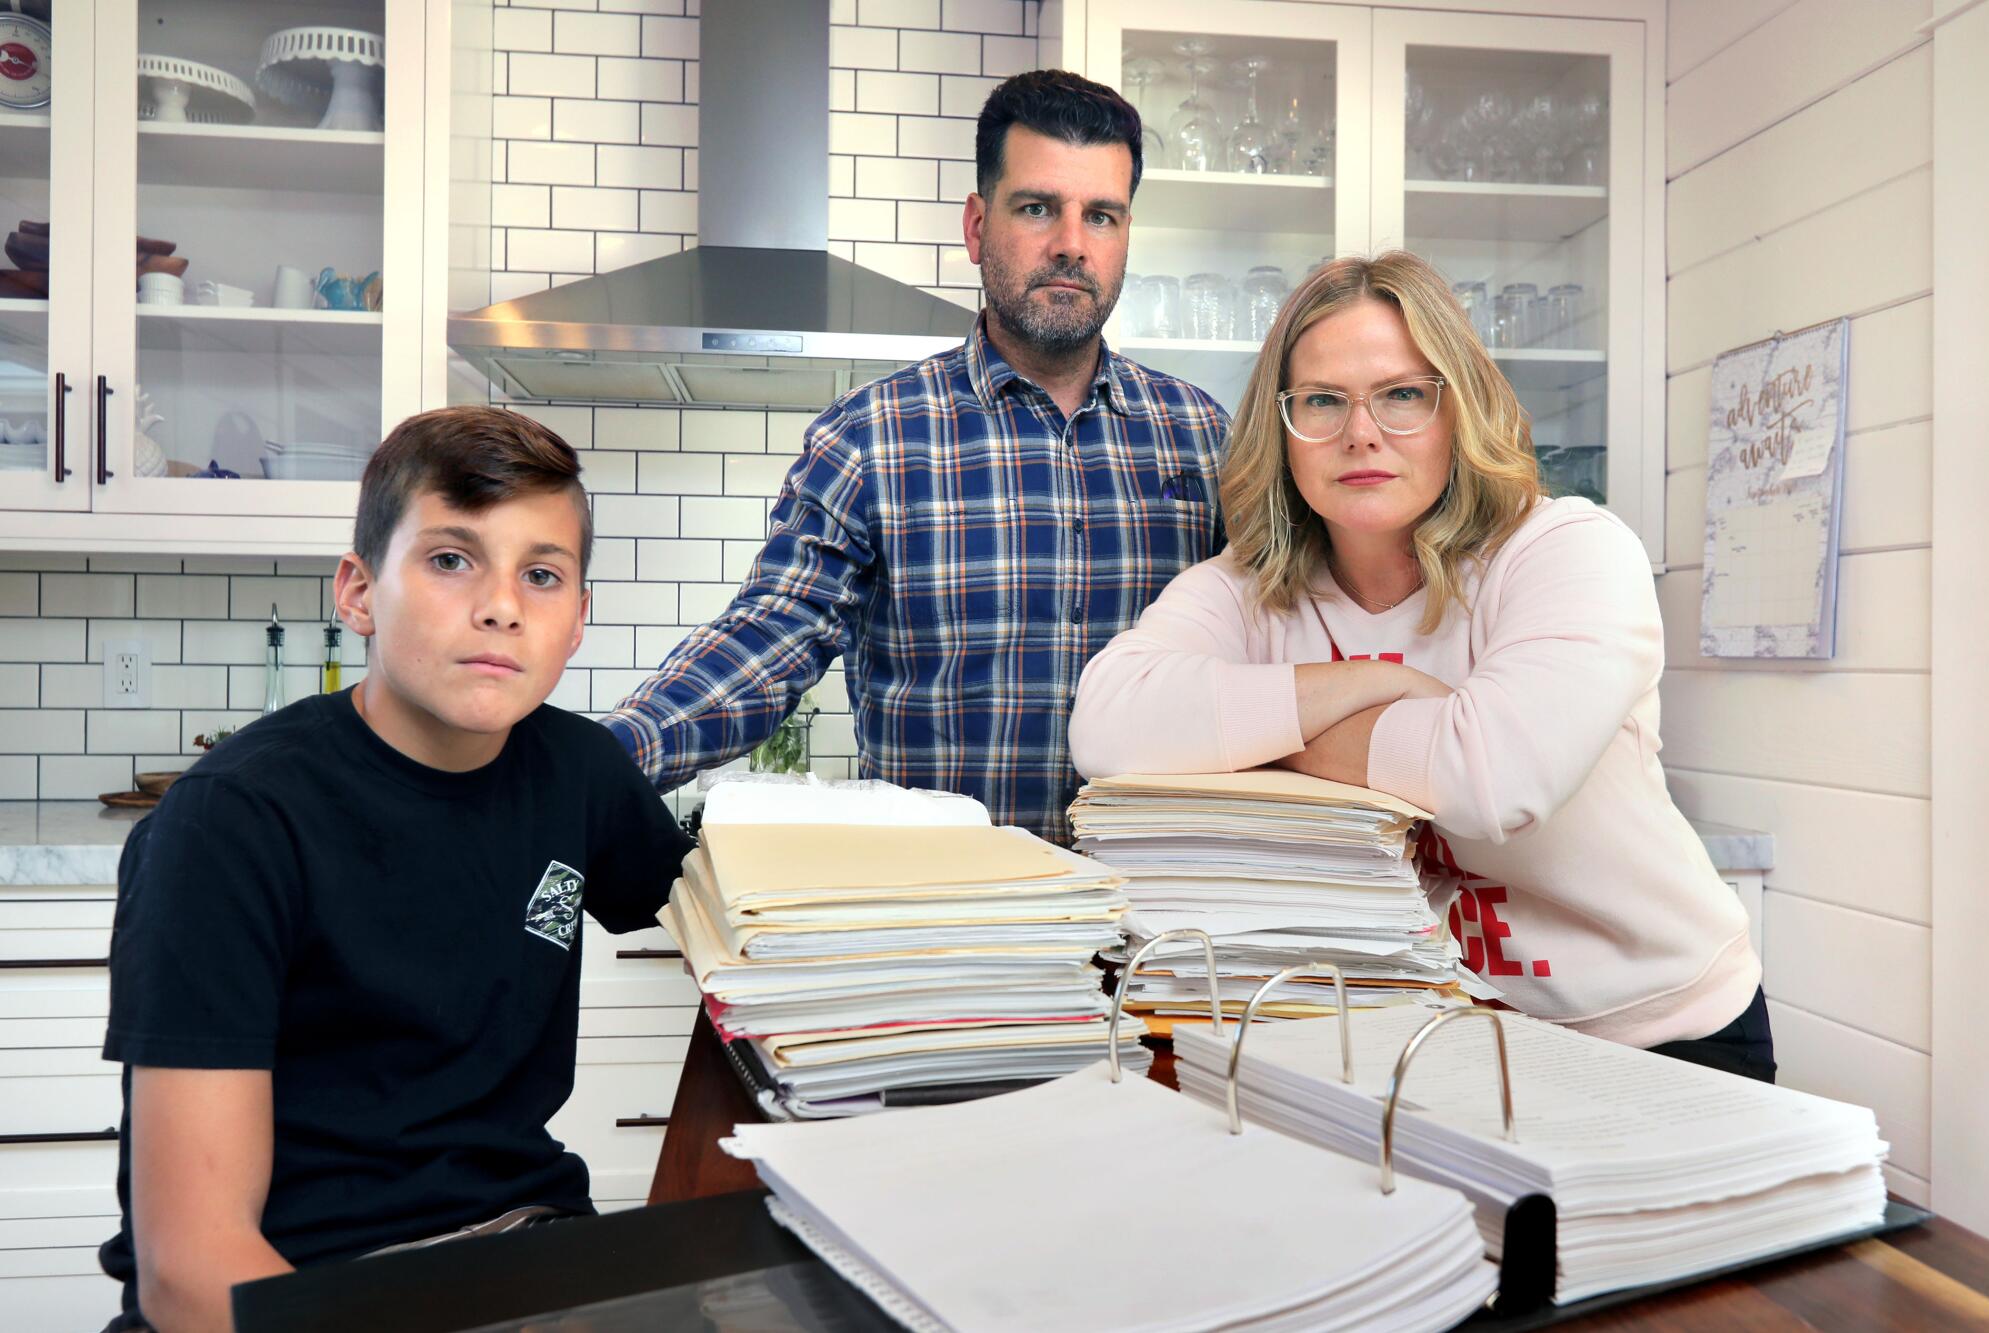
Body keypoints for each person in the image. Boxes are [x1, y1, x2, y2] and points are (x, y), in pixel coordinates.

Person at [1069, 252, 1771, 1078]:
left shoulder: (1568, 551)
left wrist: (1265, 735)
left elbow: (1490, 777)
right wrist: (1377, 684)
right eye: (1322, 401)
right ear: (1283, 430)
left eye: (1403, 394)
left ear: (1457, 409)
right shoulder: (1248, 589)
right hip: (1428, 1031)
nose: (1360, 431)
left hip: (1657, 1027)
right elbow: (1108, 722)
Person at [98, 407, 695, 1333]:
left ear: (577, 620)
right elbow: (191, 1271)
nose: (501, 604)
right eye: (451, 559)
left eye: (541, 575)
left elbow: (734, 927)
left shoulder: (580, 773)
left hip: (524, 1251)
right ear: (359, 591)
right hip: (305, 1286)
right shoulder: (231, 824)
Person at [602, 70, 1232, 843]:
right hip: (946, 935)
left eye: (1101, 216)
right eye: (1037, 208)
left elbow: (1285, 637)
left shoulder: (1203, 439)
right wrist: (600, 762)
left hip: (1160, 932)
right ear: (976, 227)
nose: (1072, 244)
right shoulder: (871, 440)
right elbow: (769, 638)